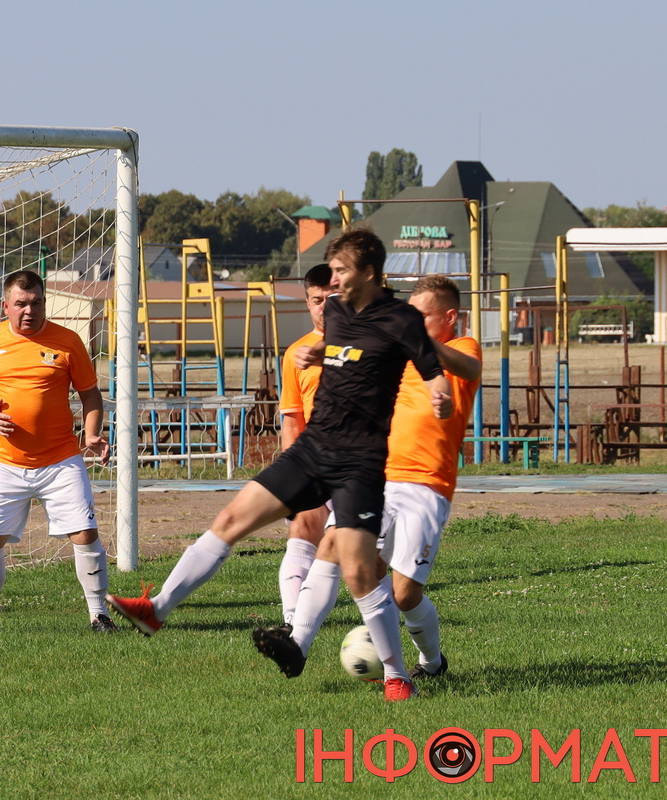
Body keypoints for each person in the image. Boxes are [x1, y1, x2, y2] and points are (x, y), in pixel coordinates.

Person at [108, 230, 452, 701]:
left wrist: (440, 395)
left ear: (370, 273)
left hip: (360, 463)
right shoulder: (336, 311)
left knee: (358, 574)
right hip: (312, 450)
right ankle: (156, 610)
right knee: (231, 519)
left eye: (342, 270)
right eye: (331, 271)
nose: (333, 280)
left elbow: (433, 371)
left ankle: (397, 677)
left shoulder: (401, 318)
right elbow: (346, 356)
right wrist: (317, 352)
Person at [252, 274, 481, 684]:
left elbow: (468, 367)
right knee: (334, 547)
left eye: (421, 317)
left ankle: (432, 663)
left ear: (449, 317)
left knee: (405, 594)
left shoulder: (462, 349)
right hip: (375, 474)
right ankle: (297, 645)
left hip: (425, 485)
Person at [0, 269, 116, 634]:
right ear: (5, 306)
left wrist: (91, 433)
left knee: (86, 534)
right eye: (21, 304)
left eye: (36, 303)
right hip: (4, 462)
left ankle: (100, 616)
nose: (29, 310)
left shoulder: (68, 341)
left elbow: (90, 394)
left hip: (61, 460)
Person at [276, 264, 333, 626]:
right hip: (316, 463)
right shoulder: (296, 354)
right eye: (317, 300)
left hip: (366, 467)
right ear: (308, 303)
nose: (324, 307)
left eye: (332, 298)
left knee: (361, 563)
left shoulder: (370, 343)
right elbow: (293, 419)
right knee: (301, 532)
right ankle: (292, 624)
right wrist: (291, 475)